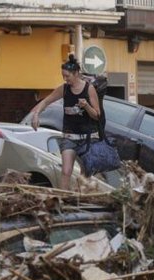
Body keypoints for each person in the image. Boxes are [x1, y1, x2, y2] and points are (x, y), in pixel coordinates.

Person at [30, 54, 101, 190]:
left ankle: (82, 202)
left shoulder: (89, 89)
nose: (65, 79)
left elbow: (97, 115)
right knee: (66, 171)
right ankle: (63, 200)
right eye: (63, 76)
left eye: (67, 76)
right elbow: (46, 101)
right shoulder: (64, 89)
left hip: (88, 138)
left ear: (76, 74)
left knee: (85, 175)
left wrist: (86, 106)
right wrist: (36, 114)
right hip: (69, 137)